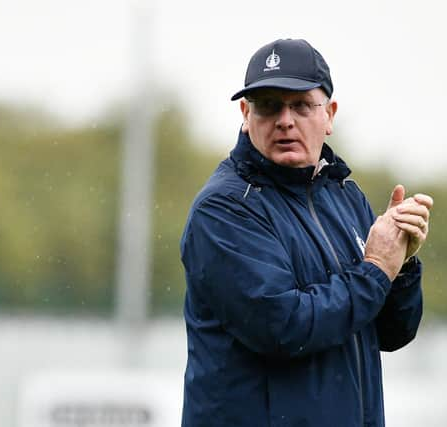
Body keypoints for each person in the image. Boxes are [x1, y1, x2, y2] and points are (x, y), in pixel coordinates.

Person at [180, 38, 433, 427]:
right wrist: (378, 267)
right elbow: (284, 326)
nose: (285, 119)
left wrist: (401, 262)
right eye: (268, 105)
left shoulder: (346, 196)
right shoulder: (224, 208)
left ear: (329, 115)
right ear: (245, 114)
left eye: (301, 105)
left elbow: (392, 332)